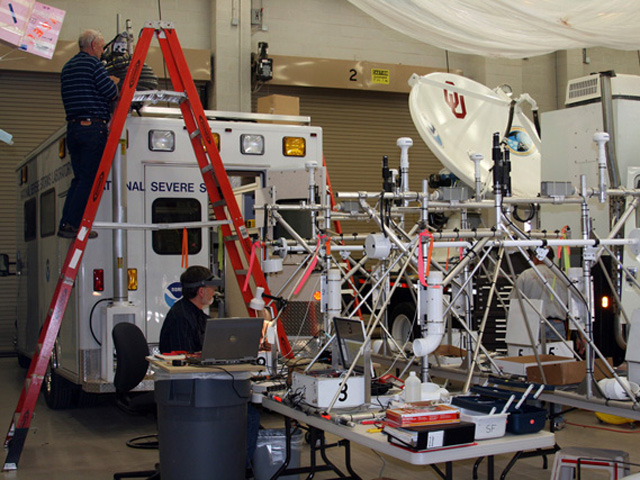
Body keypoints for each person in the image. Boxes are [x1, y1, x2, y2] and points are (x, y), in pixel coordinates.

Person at [158, 265, 261, 478]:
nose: (214, 293)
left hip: (200, 386)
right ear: (201, 291)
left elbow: (214, 343)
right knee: (249, 417)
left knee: (248, 414)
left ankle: (234, 464)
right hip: (190, 392)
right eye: (212, 288)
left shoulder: (195, 314)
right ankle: (239, 469)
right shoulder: (181, 317)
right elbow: (184, 362)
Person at [58, 29, 120, 239]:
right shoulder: (94, 65)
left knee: (79, 179)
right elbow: (110, 93)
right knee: (90, 180)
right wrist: (114, 81)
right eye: (102, 47)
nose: (103, 52)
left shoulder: (67, 67)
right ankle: (76, 224)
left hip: (73, 129)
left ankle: (68, 222)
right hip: (92, 128)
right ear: (93, 45)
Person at [510, 247, 570, 343]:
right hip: (557, 324)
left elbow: (514, 303)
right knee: (558, 356)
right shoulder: (562, 276)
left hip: (533, 324)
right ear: (552, 258)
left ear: (536, 257)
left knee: (534, 356)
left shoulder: (525, 275)